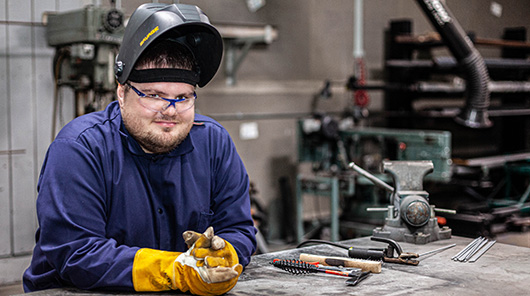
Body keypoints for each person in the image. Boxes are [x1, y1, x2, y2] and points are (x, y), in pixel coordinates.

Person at [23, 3, 257, 295]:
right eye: (154, 95)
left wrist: (225, 255)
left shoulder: (214, 143)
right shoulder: (78, 149)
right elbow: (77, 253)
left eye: (183, 97)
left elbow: (238, 228)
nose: (169, 110)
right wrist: (174, 270)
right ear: (122, 93)